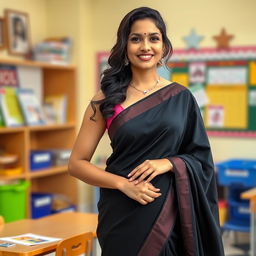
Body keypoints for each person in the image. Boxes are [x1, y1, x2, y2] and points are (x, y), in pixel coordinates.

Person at [68, 6, 225, 256]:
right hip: (121, 215)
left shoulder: (182, 98)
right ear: (124, 45)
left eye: (153, 38)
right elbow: (76, 163)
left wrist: (170, 163)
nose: (145, 46)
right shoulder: (106, 99)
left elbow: (201, 160)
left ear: (163, 46)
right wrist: (123, 185)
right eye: (135, 38)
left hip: (171, 212)